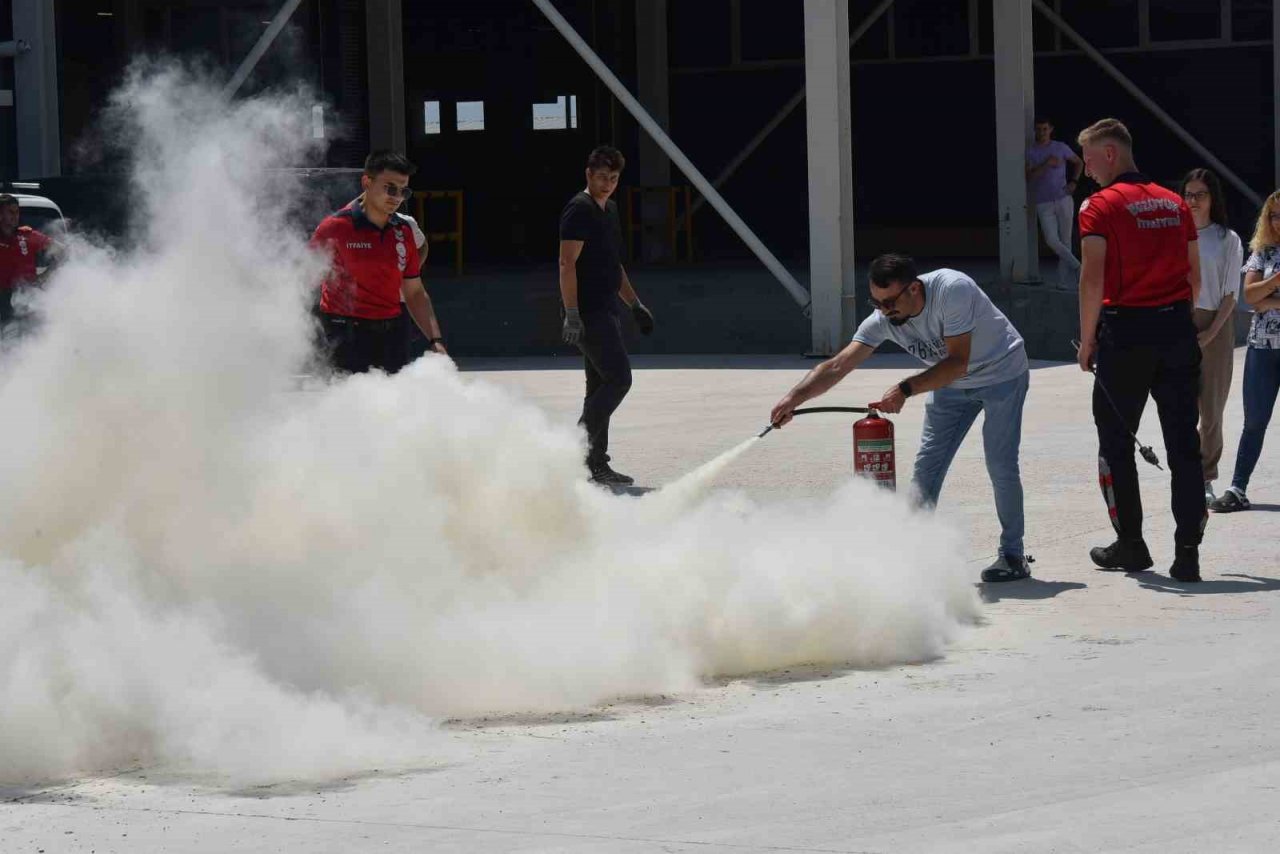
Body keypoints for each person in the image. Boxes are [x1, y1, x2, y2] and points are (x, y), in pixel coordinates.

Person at [769, 254, 1033, 583]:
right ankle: (914, 554)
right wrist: (794, 398)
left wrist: (905, 389)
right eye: (876, 302)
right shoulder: (883, 318)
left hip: (1001, 374)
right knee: (927, 467)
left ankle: (1013, 555)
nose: (884, 310)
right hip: (951, 385)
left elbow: (957, 362)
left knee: (1000, 464)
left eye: (890, 302)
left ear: (914, 289)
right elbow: (838, 365)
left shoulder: (953, 290)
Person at [1075, 119, 1204, 582]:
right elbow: (1195, 277)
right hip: (1175, 331)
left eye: (1088, 158)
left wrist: (1088, 339)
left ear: (1110, 154)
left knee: (1115, 445)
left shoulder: (1099, 206)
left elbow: (1092, 277)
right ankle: (1187, 552)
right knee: (1183, 444)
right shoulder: (1174, 203)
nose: (1086, 170)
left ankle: (1131, 543)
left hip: (1124, 334)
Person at [558, 145, 655, 485]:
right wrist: (571, 313)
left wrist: (635, 305)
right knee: (619, 379)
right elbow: (566, 263)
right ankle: (574, 450)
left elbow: (613, 266)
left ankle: (594, 464)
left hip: (607, 308)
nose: (607, 184)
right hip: (586, 314)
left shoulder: (609, 210)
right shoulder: (578, 210)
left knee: (598, 386)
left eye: (613, 179)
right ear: (588, 174)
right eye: (601, 177)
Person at [311, 151, 446, 374]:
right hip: (346, 336)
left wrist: (435, 340)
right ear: (367, 182)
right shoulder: (334, 227)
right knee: (350, 405)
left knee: (394, 404)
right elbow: (302, 279)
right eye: (390, 188)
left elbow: (414, 292)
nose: (397, 197)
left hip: (392, 334)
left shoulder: (403, 230)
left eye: (404, 191)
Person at [1210, 190, 1280, 514]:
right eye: (1274, 216)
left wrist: (1267, 299)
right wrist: (1275, 281)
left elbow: (1258, 296)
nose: (1278, 222)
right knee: (1255, 421)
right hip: (1262, 348)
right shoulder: (1262, 253)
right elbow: (1248, 296)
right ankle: (1238, 488)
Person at [1180, 168, 1243, 507]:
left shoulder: (1227, 239)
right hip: (1181, 319)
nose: (1192, 201)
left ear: (1212, 198)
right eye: (1188, 194)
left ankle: (1207, 476)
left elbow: (1231, 295)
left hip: (1215, 323)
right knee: (1181, 404)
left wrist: (1211, 333)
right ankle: (1187, 473)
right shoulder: (1175, 234)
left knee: (1212, 408)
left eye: (1199, 194)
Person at [1026, 118, 1084, 290]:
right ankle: (1079, 267)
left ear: (1050, 129)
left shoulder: (1060, 147)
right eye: (1038, 129)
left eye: (1045, 129)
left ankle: (1063, 283)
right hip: (1043, 201)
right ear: (1035, 130)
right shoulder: (1030, 151)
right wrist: (1046, 163)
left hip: (1063, 198)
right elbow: (1029, 177)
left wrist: (1073, 181)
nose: (1042, 132)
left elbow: (1079, 162)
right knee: (1052, 240)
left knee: (1066, 240)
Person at [0, 194, 56, 330]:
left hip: (28, 300)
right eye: (10, 212)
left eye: (17, 212)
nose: (15, 216)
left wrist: (45, 275)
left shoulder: (27, 235)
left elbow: (62, 251)